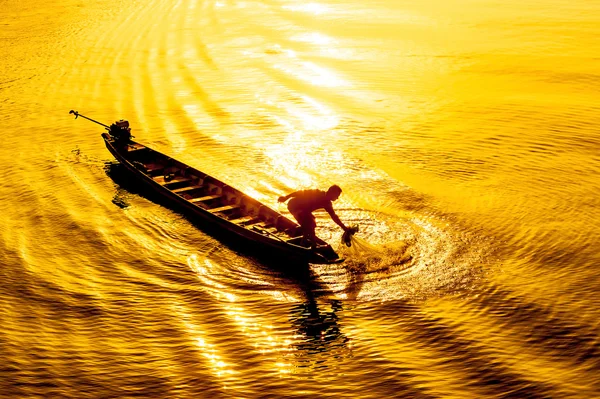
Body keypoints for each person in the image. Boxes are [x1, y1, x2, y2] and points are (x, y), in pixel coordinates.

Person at [278, 185, 350, 249]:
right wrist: (286, 197)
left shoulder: (327, 204)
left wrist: (344, 228)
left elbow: (334, 217)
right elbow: (299, 192)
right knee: (309, 223)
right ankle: (312, 245)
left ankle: (305, 242)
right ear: (331, 192)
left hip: (304, 211)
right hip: (294, 205)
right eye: (337, 195)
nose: (337, 198)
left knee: (312, 222)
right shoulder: (317, 193)